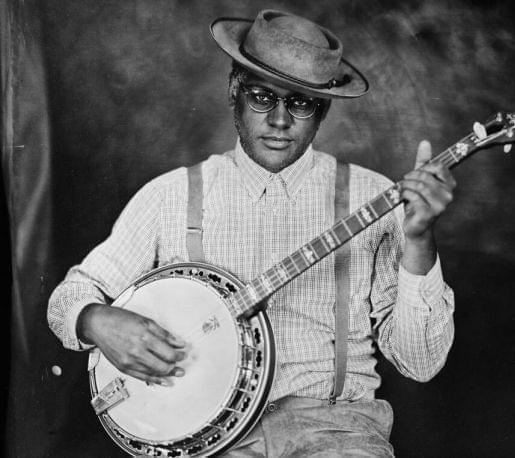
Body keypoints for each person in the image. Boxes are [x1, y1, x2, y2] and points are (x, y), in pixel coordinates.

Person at [48, 9, 456, 456]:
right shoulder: (170, 195)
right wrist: (96, 320)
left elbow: (421, 363)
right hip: (207, 440)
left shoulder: (375, 197)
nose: (279, 120)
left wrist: (418, 241)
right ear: (234, 93)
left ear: (322, 110)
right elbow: (69, 297)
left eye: (300, 102)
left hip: (336, 431)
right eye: (262, 96)